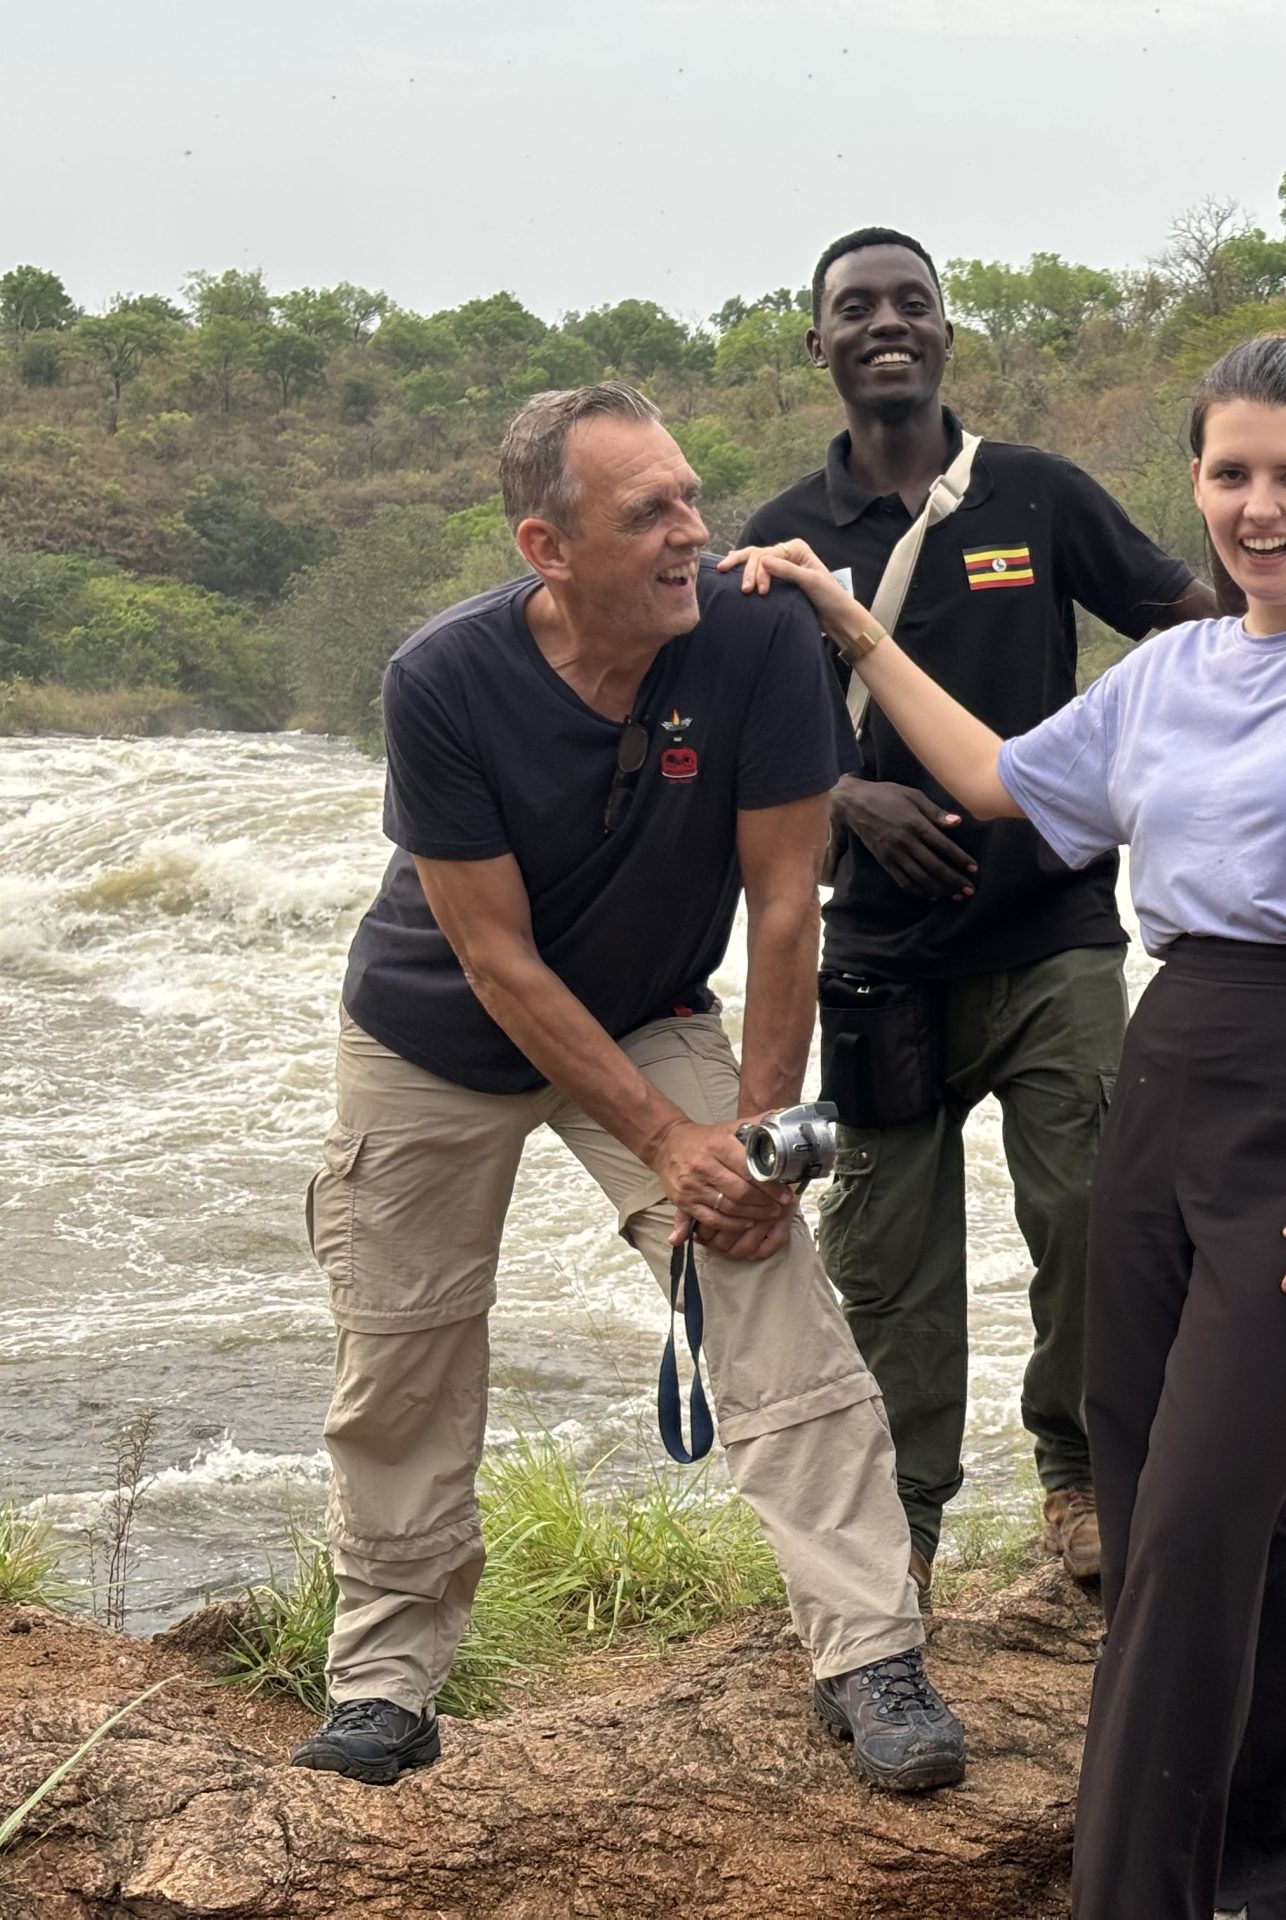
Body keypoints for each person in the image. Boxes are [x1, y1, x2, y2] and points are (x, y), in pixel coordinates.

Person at [724, 331, 1286, 1920]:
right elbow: (995, 781)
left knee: (1199, 1522)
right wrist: (845, 624)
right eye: (1230, 473)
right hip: (1171, 1072)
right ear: (1200, 487)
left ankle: (1132, 1891)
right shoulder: (1167, 673)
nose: (1259, 506)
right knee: (1175, 1486)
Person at [290, 382, 961, 1795]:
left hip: (649, 1010)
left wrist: (756, 1152)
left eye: (692, 498)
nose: (693, 533)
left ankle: (870, 1655)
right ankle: (386, 1685)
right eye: (649, 513)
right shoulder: (444, 678)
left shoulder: (760, 638)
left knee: (768, 1284)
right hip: (439, 1035)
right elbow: (492, 957)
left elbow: (787, 904)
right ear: (548, 545)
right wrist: (665, 1140)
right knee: (403, 1352)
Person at [738, 228, 1219, 1601]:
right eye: (856, 308)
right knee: (888, 1253)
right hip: (880, 957)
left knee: (1091, 1214)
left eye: (913, 302)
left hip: (1053, 928)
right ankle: (906, 1529)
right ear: (815, 345)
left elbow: (1195, 640)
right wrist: (846, 803)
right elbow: (727, 740)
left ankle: (1076, 1482)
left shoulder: (1038, 497)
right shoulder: (781, 540)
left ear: (948, 330)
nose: (888, 323)